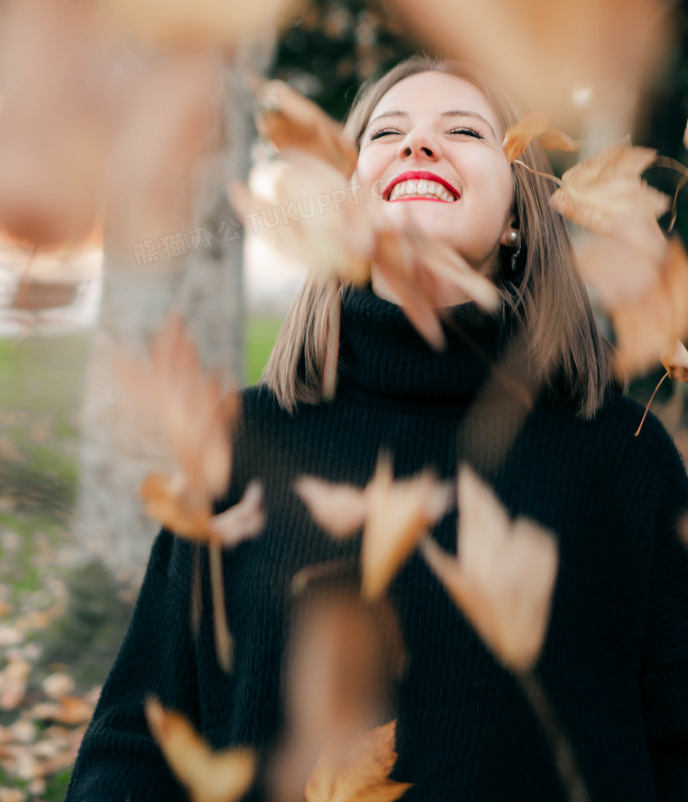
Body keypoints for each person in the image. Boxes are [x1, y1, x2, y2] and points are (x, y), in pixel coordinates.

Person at [65, 53, 688, 802]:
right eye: (386, 134)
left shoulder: (622, 455)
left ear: (523, 214)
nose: (418, 146)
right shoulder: (244, 441)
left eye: (464, 131)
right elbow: (137, 742)